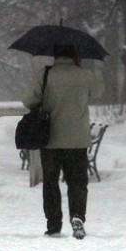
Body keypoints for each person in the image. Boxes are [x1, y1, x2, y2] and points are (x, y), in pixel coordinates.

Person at [22, 45, 104, 239]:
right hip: (77, 140)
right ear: (75, 55)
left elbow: (28, 100)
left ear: (55, 55)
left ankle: (53, 224)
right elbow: (99, 91)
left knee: (50, 183)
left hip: (49, 138)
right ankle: (77, 216)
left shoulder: (45, 74)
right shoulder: (84, 75)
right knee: (77, 182)